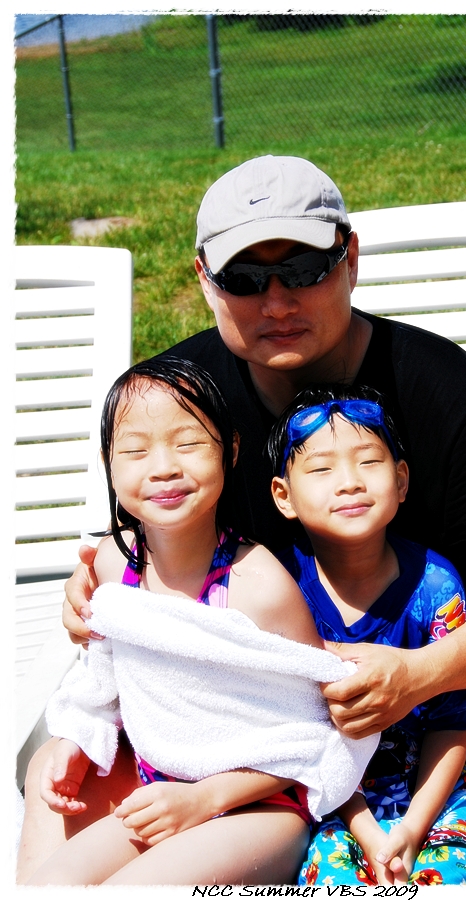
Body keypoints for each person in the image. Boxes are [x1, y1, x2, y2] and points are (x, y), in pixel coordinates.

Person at [17, 155, 466, 884]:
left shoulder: (444, 390)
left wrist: (421, 674)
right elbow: (134, 548)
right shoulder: (178, 407)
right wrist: (93, 584)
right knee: (53, 780)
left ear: (350, 259)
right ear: (204, 280)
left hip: (444, 715)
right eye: (244, 279)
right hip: (236, 737)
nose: (277, 300)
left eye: (304, 268)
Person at [25, 358, 376, 886]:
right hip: (159, 795)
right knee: (50, 886)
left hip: (260, 807)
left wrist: (205, 798)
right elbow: (103, 679)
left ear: (229, 451)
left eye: (188, 444)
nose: (163, 467)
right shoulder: (115, 566)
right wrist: (80, 739)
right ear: (107, 463)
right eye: (136, 451)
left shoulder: (257, 585)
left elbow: (320, 733)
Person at [268, 384, 466, 886]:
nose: (349, 482)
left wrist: (411, 828)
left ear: (401, 480)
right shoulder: (280, 591)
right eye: (321, 470)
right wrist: (368, 832)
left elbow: (451, 723)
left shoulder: (436, 588)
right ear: (284, 496)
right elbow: (301, 732)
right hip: (329, 800)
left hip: (436, 796)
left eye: (369, 461)